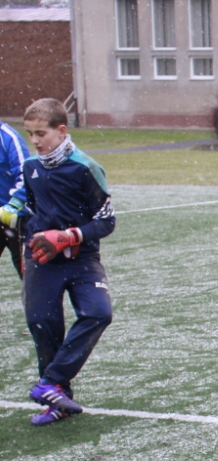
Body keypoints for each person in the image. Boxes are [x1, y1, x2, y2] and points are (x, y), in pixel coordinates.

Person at [20, 97, 115, 426]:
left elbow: (106, 221)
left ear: (61, 131)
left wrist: (69, 236)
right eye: (30, 134)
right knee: (44, 325)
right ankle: (58, 401)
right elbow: (31, 211)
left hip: (82, 259)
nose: (35, 141)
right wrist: (28, 241)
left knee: (99, 313)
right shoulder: (30, 168)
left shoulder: (84, 168)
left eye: (41, 134)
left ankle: (50, 382)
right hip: (43, 262)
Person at [0, 120, 30, 278]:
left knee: (28, 273)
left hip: (16, 218)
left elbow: (26, 175)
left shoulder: (8, 138)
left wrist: (13, 205)